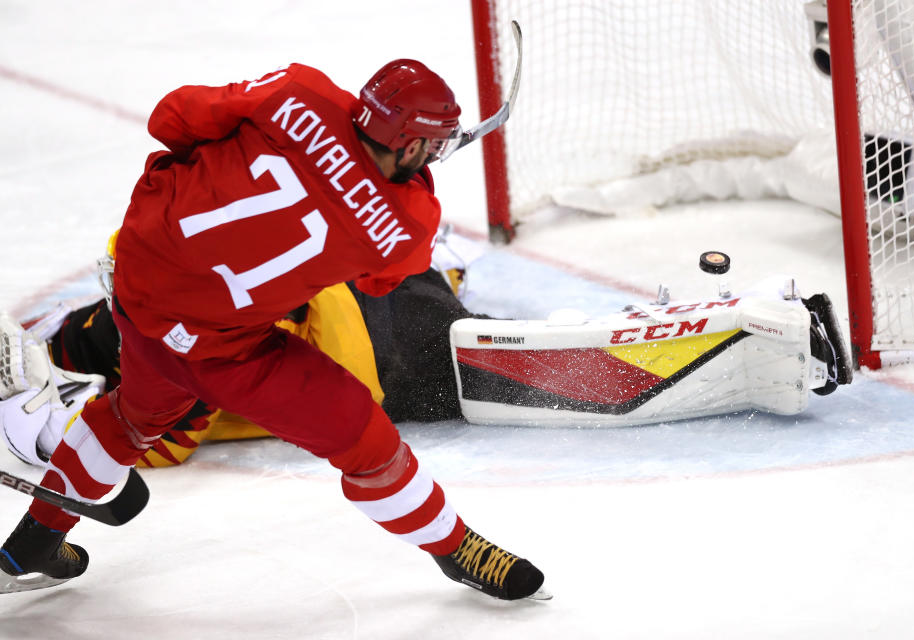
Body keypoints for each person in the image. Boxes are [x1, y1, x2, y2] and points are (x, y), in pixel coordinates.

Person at [0, 60, 546, 601]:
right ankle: (455, 548)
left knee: (130, 418)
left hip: (141, 292)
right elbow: (382, 282)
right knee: (363, 435)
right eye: (429, 147)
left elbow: (172, 116)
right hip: (225, 353)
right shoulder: (409, 220)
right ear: (407, 145)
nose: (432, 155)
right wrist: (410, 183)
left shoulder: (296, 90)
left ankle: (31, 543)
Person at [1, 232, 477, 469]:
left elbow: (160, 447)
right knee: (435, 320)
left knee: (437, 321)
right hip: (366, 340)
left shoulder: (182, 339)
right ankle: (431, 267)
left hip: (362, 339)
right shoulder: (119, 330)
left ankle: (431, 266)